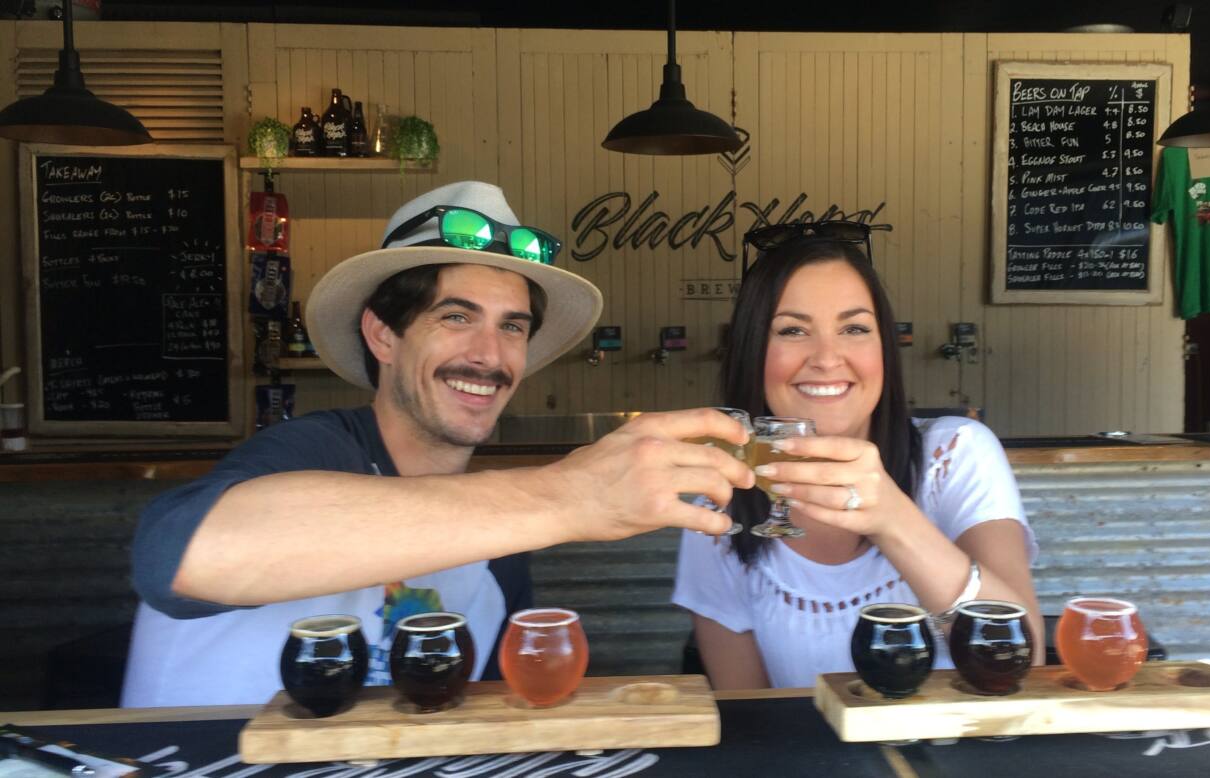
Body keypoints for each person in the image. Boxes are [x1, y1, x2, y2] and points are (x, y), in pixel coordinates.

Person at [122, 181, 752, 707]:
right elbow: (176, 555)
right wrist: (568, 495)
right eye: (456, 317)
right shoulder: (314, 451)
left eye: (512, 327)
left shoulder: (502, 535)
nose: (488, 356)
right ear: (383, 336)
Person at [672, 222, 1042, 689]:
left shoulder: (956, 453)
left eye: (854, 328)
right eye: (792, 330)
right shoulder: (717, 510)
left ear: (883, 347)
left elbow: (1024, 656)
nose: (827, 357)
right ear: (752, 352)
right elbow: (750, 717)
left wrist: (892, 518)